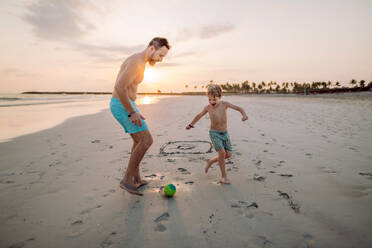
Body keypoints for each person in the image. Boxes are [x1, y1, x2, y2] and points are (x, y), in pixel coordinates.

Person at [110, 37, 170, 196]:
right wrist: (131, 111)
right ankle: (127, 180)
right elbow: (119, 87)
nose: (161, 60)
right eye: (160, 55)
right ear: (152, 48)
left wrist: (133, 108)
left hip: (126, 104)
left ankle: (136, 179)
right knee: (146, 140)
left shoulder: (140, 62)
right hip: (121, 105)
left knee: (138, 140)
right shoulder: (136, 61)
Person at [186, 84, 248, 184]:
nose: (212, 102)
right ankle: (224, 177)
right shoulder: (208, 108)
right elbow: (199, 115)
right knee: (222, 153)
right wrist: (191, 124)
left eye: (214, 99)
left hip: (225, 133)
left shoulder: (225, 104)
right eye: (209, 99)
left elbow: (239, 108)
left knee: (228, 154)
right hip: (214, 133)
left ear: (220, 97)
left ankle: (210, 161)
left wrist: (244, 115)